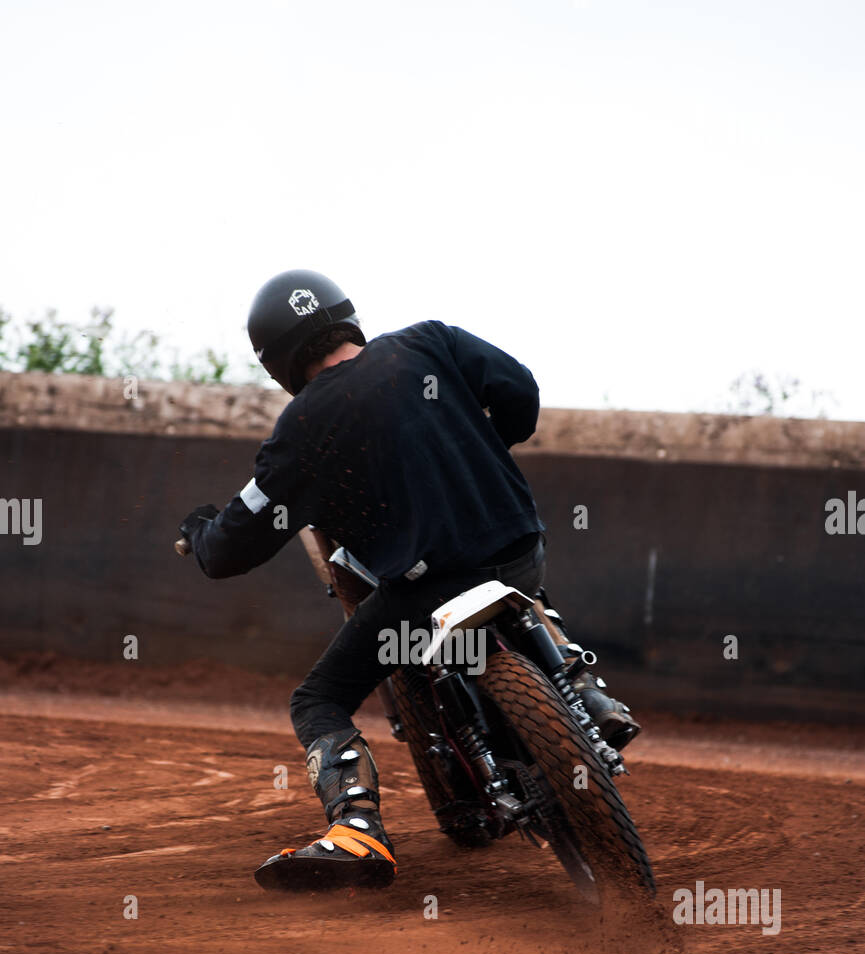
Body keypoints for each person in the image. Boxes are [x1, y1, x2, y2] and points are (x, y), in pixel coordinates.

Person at [179, 270, 637, 891]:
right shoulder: (431, 342)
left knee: (317, 699)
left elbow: (234, 543)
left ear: (277, 358)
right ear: (346, 317)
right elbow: (521, 395)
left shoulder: (302, 427)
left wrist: (200, 533)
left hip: (429, 592)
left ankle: (358, 827)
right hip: (521, 552)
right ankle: (588, 693)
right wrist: (475, 440)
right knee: (525, 585)